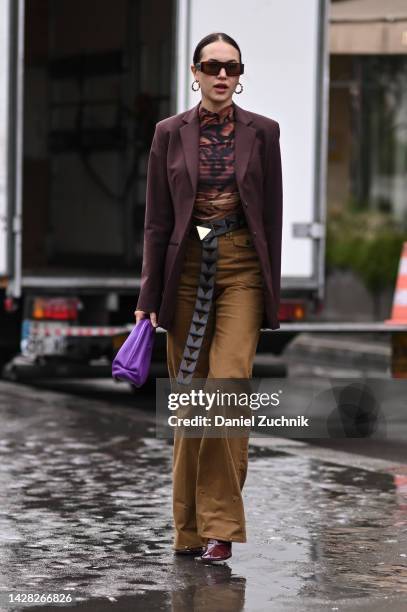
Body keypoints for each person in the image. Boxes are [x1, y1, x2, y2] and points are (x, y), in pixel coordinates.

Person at [134, 32, 283, 564]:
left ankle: (219, 526)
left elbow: (271, 218)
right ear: (194, 72)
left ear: (241, 74)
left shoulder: (264, 133)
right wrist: (148, 294)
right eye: (212, 66)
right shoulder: (167, 134)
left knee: (226, 387)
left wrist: (272, 292)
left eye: (233, 67)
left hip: (241, 265)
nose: (223, 76)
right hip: (187, 269)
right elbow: (156, 221)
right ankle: (189, 529)